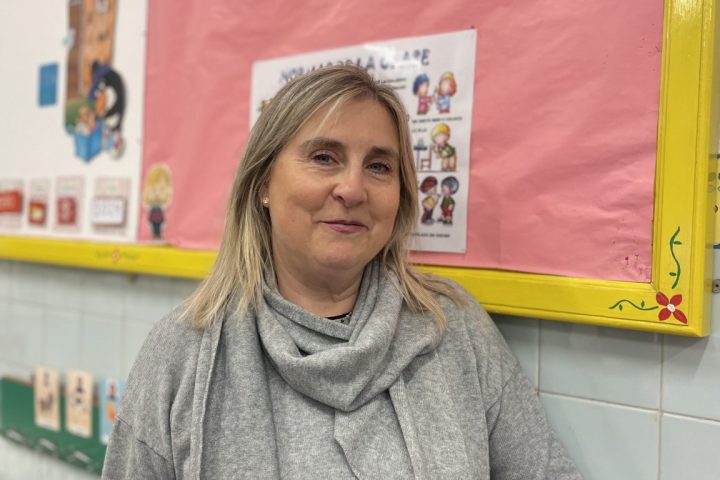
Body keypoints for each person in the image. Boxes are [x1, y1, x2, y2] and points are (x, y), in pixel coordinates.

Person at [102, 65, 582, 479]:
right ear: (263, 182)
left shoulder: (453, 328)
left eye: (379, 166)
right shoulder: (184, 352)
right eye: (324, 157)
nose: (352, 189)